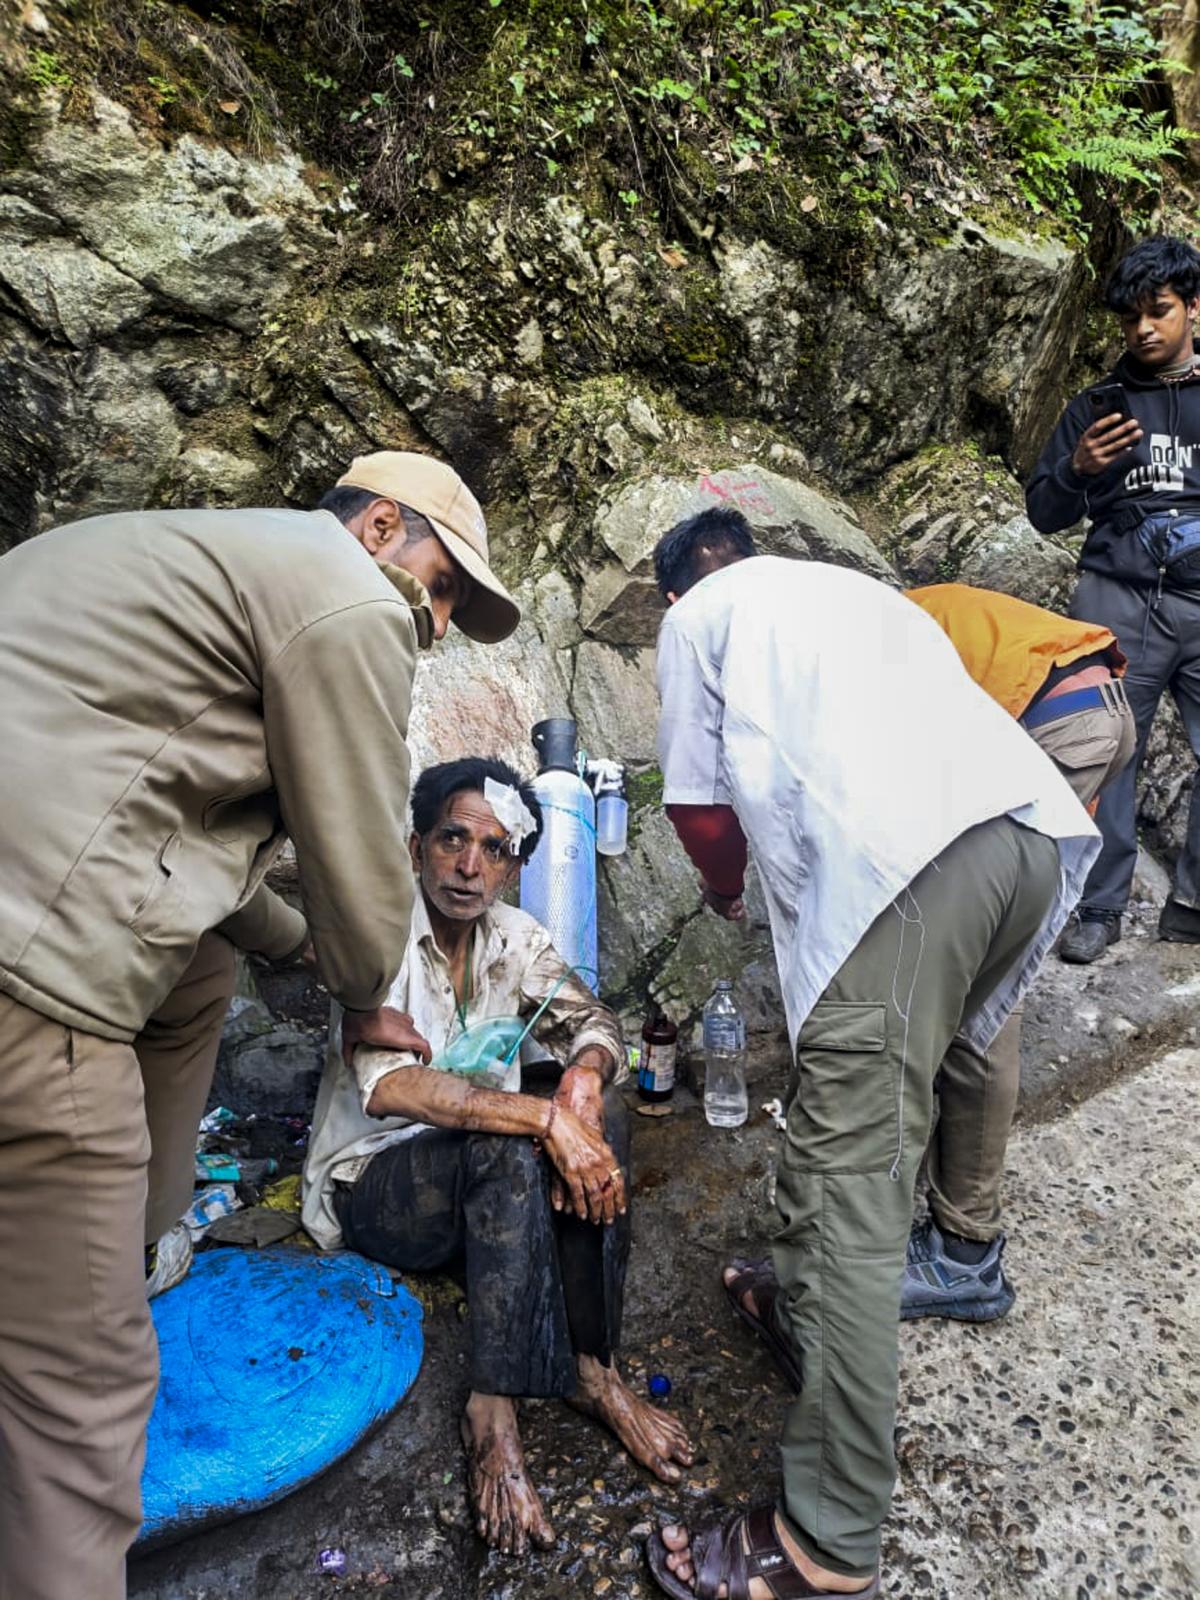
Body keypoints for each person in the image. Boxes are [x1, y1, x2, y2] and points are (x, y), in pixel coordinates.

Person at [0, 450, 519, 1600]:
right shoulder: (338, 591)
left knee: (194, 970)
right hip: (27, 974)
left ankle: (139, 1240)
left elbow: (173, 855)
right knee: (78, 1405)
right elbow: (358, 864)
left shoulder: (159, 561)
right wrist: (362, 989)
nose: (433, 627)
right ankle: (93, 1309)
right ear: (380, 524)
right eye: (440, 590)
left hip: (37, 883)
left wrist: (284, 943)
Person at [644, 507, 1098, 1600]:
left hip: (907, 869)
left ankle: (825, 1541)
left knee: (853, 1183)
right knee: (851, 1108)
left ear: (675, 590)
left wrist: (722, 892)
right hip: (1026, 838)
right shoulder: (850, 592)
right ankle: (805, 1313)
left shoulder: (699, 617)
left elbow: (701, 810)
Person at [302, 757, 693, 1557]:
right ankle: (493, 1407)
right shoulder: (376, 940)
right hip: (376, 1185)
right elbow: (396, 1089)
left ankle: (593, 1367)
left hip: (480, 1181)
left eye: (493, 847)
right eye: (452, 839)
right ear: (416, 846)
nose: (470, 865)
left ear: (515, 863)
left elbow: (595, 1020)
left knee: (597, 1115)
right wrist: (545, 1120)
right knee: (518, 1140)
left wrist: (583, 1081)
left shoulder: (516, 938)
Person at [893, 581, 1135, 1320]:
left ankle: (962, 1256)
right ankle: (953, 1237)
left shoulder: (877, 637)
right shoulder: (908, 609)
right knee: (985, 975)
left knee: (975, 998)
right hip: (1091, 713)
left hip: (1052, 728)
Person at [1026, 233, 1200, 963]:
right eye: (1130, 318)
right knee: (1106, 752)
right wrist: (1076, 467)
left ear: (1194, 307)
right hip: (1115, 595)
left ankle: (1191, 904)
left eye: (1159, 311)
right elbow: (1044, 511)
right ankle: (1099, 908)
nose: (1144, 330)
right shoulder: (1096, 405)